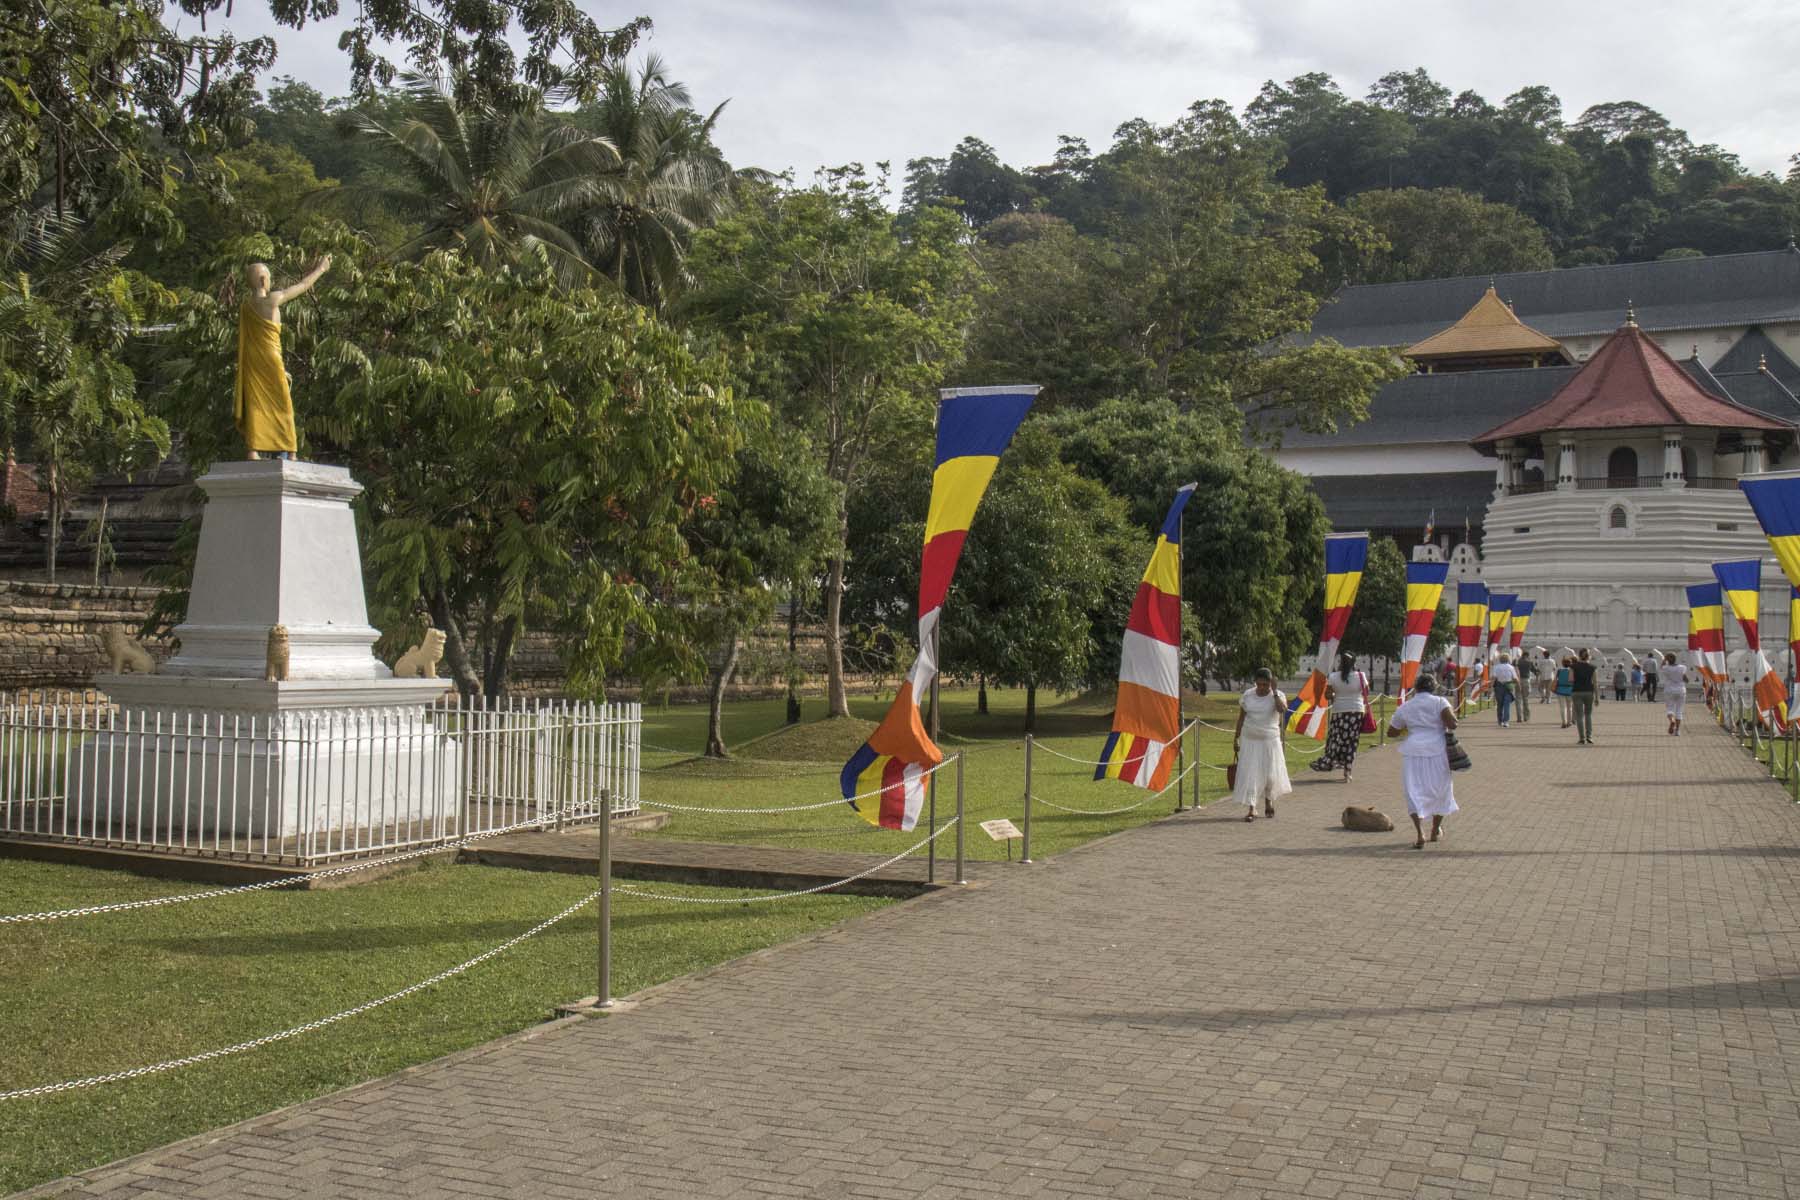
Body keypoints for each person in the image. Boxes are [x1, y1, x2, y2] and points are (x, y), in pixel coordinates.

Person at [237, 256, 331, 460]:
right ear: (263, 280)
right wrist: (321, 269)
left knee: (255, 403)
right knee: (283, 403)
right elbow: (303, 285)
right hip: (271, 357)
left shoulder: (245, 306)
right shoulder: (272, 300)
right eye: (269, 278)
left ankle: (253, 449)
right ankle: (291, 450)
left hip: (252, 360)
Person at [1386, 672, 1459, 849]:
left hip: (1413, 752)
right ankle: (1435, 829)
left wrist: (1409, 727)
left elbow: (1391, 732)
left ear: (1416, 688)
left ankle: (1420, 833)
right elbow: (1453, 723)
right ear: (1434, 687)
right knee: (1441, 789)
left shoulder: (1406, 706)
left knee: (1413, 791)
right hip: (1437, 751)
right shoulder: (1440, 702)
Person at [1233, 669, 1291, 821]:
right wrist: (1236, 737)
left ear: (1271, 683)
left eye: (1265, 685)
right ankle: (1252, 807)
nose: (1262, 688)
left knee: (1270, 774)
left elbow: (1282, 710)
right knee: (1251, 773)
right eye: (1259, 684)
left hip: (1269, 740)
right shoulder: (1248, 695)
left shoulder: (1277, 695)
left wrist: (1275, 692)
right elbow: (1241, 718)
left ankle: (1268, 800)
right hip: (1250, 739)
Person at [1310, 652, 1366, 780]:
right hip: (1356, 712)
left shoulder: (1333, 676)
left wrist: (1337, 694)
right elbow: (1365, 692)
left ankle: (1332, 760)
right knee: (1351, 741)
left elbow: (1327, 695)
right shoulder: (1360, 676)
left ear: (1341, 662)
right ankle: (1348, 771)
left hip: (1339, 711)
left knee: (1336, 739)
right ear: (1354, 663)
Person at [1571, 649, 1599, 744]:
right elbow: (1595, 683)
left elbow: (1570, 679)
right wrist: (1597, 697)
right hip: (1589, 692)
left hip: (1577, 692)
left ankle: (1582, 738)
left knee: (1579, 716)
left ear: (1579, 656)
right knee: (1588, 715)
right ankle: (1589, 736)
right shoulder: (1593, 667)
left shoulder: (1573, 666)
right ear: (1588, 656)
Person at [1661, 651, 1688, 735]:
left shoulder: (1666, 668)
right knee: (1679, 710)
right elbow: (1686, 679)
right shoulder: (1682, 667)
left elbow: (1661, 666)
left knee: (1670, 708)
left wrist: (1664, 659)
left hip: (1669, 690)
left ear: (1667, 659)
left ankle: (1672, 721)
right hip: (1681, 690)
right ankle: (1677, 731)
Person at [1490, 653, 1518, 727]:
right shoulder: (1511, 667)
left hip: (1499, 686)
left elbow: (1494, 678)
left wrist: (1490, 687)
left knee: (1500, 704)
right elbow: (1515, 678)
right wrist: (1518, 686)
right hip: (1508, 686)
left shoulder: (1496, 667)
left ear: (1500, 660)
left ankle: (1500, 721)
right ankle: (1506, 721)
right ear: (1508, 659)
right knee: (1507, 704)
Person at [1555, 657, 1575, 727]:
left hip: (1560, 690)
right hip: (1570, 690)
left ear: (1563, 664)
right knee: (1570, 707)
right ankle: (1569, 722)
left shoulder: (1559, 670)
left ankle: (1564, 722)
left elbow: (1556, 679)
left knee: (1562, 707)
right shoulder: (1572, 671)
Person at [1515, 653, 1534, 723]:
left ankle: (1519, 717)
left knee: (1518, 699)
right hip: (1526, 681)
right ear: (1527, 656)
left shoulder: (1517, 662)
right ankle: (1526, 717)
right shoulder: (1529, 662)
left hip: (1518, 681)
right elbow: (1534, 670)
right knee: (1525, 699)